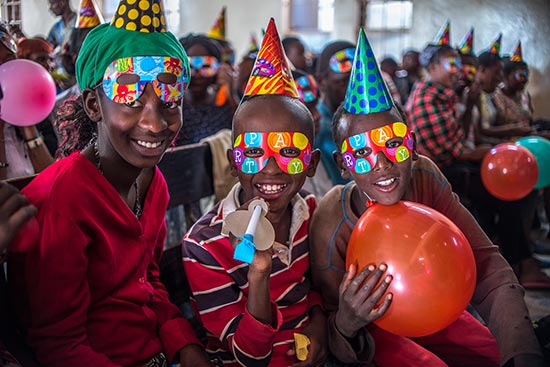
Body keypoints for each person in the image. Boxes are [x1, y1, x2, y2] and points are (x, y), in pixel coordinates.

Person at [310, 28, 544, 367]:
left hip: (437, 313)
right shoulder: (332, 217)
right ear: (342, 165)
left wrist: (523, 350)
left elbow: (487, 266)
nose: (382, 164)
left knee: (499, 350)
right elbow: (330, 333)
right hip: (374, 333)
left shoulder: (423, 175)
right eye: (361, 152)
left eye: (393, 143)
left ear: (413, 146)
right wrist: (347, 321)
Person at [7, 0, 211, 365]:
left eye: (169, 97)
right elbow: (59, 345)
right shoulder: (64, 200)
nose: (154, 122)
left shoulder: (153, 182)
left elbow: (147, 281)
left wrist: (185, 344)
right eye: (130, 96)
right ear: (93, 105)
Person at [182, 18, 327, 366]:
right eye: (253, 152)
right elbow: (248, 356)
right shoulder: (203, 245)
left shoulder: (310, 210)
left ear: (312, 163)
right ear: (234, 162)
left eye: (290, 151)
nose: (272, 167)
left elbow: (314, 291)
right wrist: (259, 273)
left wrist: (320, 326)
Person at [0, 24, 54, 180]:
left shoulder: (34, 113)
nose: (4, 70)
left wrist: (26, 121)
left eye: (8, 61)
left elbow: (48, 177)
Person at [176, 34, 237, 145]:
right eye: (190, 67)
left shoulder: (225, 103)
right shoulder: (174, 105)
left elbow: (239, 132)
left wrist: (230, 92)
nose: (198, 75)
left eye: (205, 66)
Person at [315, 40, 356, 186]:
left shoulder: (367, 123)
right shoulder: (317, 129)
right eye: (343, 82)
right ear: (321, 82)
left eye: (359, 81)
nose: (355, 91)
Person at [15, 37, 59, 156]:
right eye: (41, 59)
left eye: (50, 59)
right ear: (25, 63)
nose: (48, 65)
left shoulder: (49, 96)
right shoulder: (20, 102)